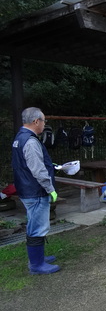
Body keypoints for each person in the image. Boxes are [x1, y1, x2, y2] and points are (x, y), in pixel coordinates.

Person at [11, 107, 60, 275]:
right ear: (36, 121)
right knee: (37, 227)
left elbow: (27, 164)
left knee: (35, 224)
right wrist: (50, 189)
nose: (44, 124)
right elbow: (37, 171)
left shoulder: (20, 137)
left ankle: (39, 259)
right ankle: (37, 265)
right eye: (44, 121)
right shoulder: (30, 141)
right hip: (35, 191)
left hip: (26, 188)